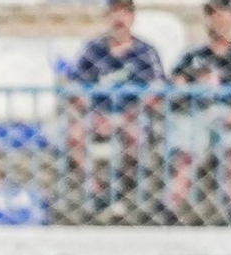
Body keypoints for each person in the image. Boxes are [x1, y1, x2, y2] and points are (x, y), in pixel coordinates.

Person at [165, 0, 231, 216]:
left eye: (222, 13)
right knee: (186, 149)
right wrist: (195, 87)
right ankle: (171, 207)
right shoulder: (192, 56)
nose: (217, 19)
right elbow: (175, 90)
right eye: (212, 14)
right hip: (197, 116)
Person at [66, 0, 166, 215]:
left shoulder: (145, 52)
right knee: (74, 135)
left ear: (133, 17)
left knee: (135, 137)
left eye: (125, 12)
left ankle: (121, 190)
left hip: (132, 115)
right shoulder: (93, 50)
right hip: (97, 115)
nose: (119, 18)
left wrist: (126, 117)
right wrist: (97, 115)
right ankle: (96, 192)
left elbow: (157, 91)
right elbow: (75, 88)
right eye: (114, 12)